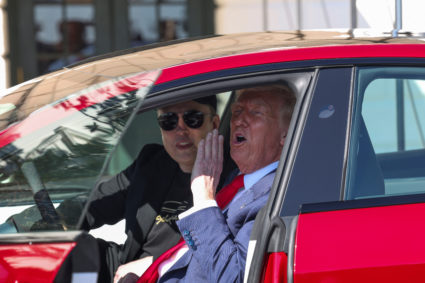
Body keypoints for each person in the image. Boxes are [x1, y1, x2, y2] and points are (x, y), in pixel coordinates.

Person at [140, 84, 296, 283]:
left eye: (256, 112)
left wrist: (203, 199)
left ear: (286, 133)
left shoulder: (275, 197)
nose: (239, 120)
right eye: (237, 111)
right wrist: (158, 263)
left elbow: (233, 278)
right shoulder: (235, 179)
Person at [81, 96, 220, 283]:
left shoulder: (229, 175)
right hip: (126, 265)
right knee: (73, 254)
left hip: (176, 274)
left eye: (192, 118)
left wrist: (157, 263)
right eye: (168, 121)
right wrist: (56, 223)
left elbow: (222, 251)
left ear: (215, 123)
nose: (180, 129)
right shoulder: (151, 161)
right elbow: (94, 204)